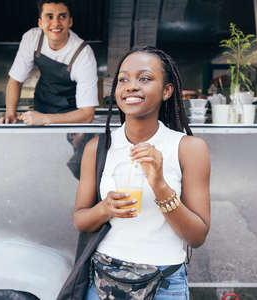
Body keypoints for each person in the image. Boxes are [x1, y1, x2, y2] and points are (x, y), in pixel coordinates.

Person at [57, 46, 211, 299]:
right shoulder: (98, 148)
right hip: (104, 280)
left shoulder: (189, 148)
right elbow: (80, 220)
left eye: (145, 78)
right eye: (123, 79)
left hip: (164, 283)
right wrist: (105, 208)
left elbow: (197, 236)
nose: (131, 86)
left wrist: (160, 185)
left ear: (167, 91)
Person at [0, 0, 98, 125]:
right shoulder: (32, 39)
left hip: (72, 118)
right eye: (50, 16)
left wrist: (45, 119)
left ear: (70, 21)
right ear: (40, 22)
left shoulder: (83, 54)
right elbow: (15, 81)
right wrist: (10, 114)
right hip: (41, 107)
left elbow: (87, 114)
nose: (56, 23)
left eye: (62, 16)